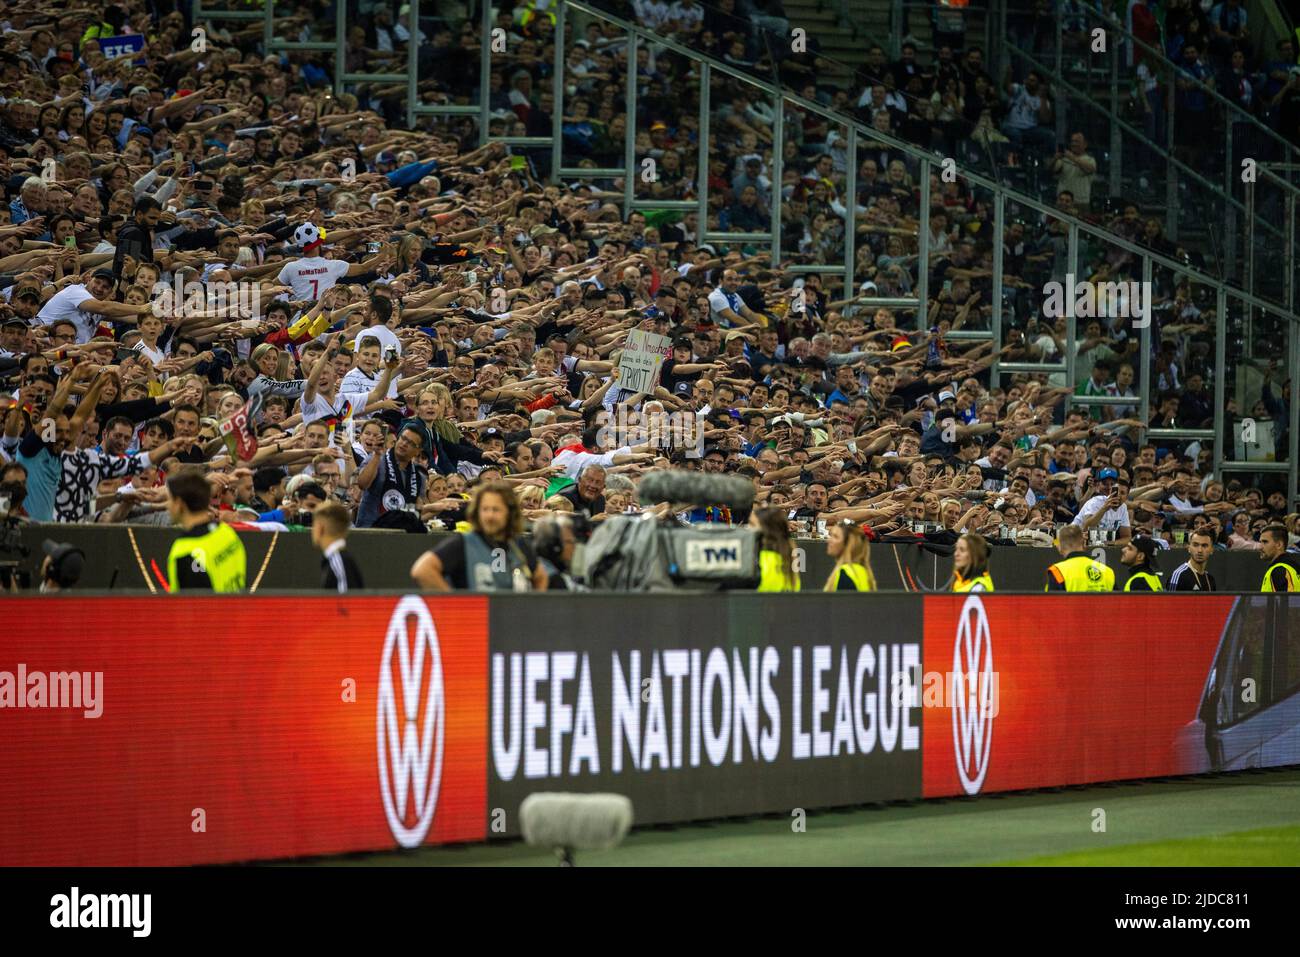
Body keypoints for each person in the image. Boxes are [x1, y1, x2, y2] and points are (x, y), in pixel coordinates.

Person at [410, 481, 548, 591]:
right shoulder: (462, 543)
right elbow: (422, 570)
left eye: (496, 509)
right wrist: (454, 604)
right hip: (475, 622)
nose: (490, 515)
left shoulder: (518, 544)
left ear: (510, 512)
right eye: (485, 509)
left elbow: (541, 577)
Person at [165, 468, 247, 593]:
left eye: (169, 499)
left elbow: (196, 606)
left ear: (179, 504)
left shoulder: (184, 552)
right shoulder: (226, 532)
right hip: (237, 609)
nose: (167, 505)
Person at [1045, 523, 1115, 591]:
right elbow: (1119, 601)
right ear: (1084, 544)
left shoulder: (1057, 572)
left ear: (1059, 547)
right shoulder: (1108, 572)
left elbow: (1052, 602)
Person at [313, 500, 364, 592]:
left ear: (320, 528)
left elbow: (348, 604)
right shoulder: (339, 560)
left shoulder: (338, 562)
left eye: (314, 524)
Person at [752, 506, 801, 591]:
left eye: (752, 524)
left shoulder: (762, 561)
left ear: (766, 530)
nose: (747, 528)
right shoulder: (787, 555)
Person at [532, 512, 585, 590]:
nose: (574, 547)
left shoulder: (539, 567)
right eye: (569, 542)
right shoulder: (554, 580)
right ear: (555, 545)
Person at [823, 521, 876, 591]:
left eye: (836, 537)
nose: (829, 540)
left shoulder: (845, 574)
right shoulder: (863, 570)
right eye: (831, 535)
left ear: (848, 543)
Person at [1259, 523, 1300, 592]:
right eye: (1260, 542)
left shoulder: (1280, 570)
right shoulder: (1290, 567)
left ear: (1279, 545)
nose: (1260, 547)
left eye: (1265, 542)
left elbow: (1289, 601)